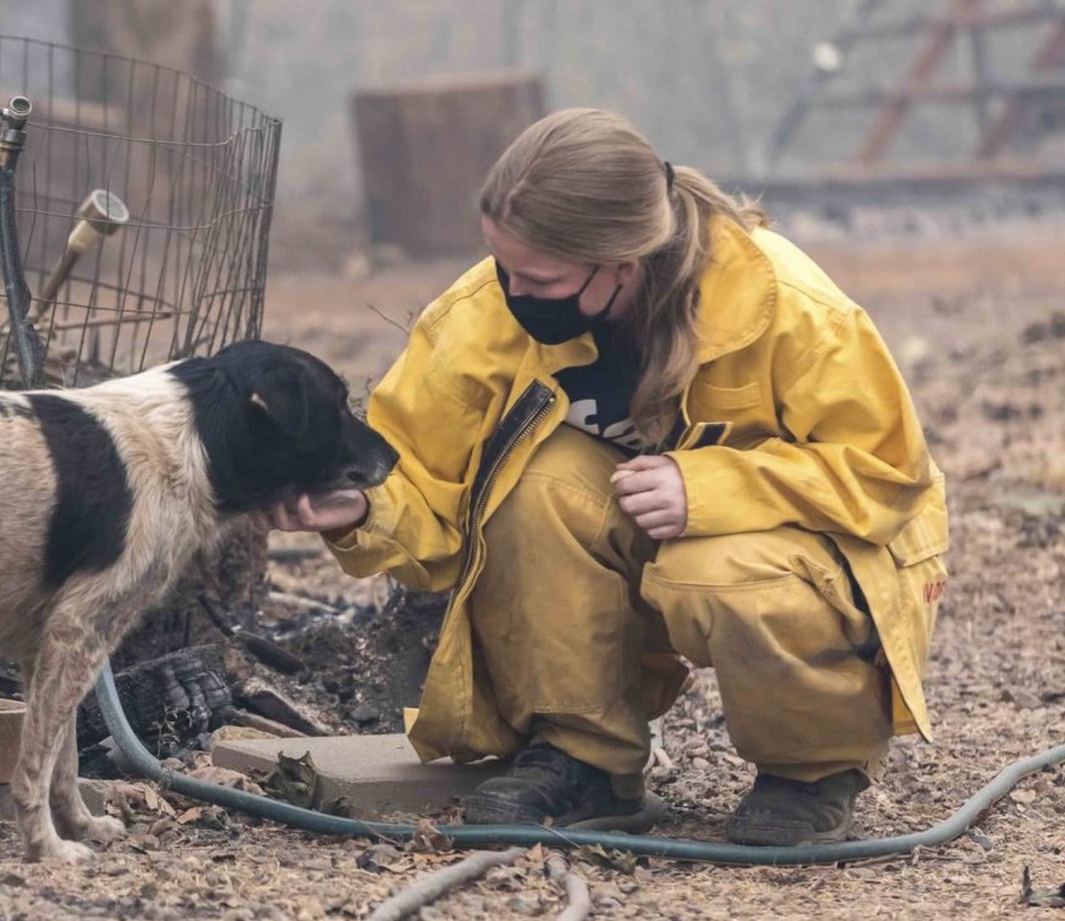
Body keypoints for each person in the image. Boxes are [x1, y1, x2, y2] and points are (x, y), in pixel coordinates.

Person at [263, 108, 949, 846]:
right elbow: (422, 481)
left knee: (716, 569)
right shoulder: (484, 315)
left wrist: (709, 489)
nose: (512, 290)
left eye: (539, 276)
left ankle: (812, 770)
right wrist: (358, 509)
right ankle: (584, 757)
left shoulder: (789, 305)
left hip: (808, 553)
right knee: (536, 485)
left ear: (623, 262)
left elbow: (884, 473)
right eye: (502, 264)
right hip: (650, 535)